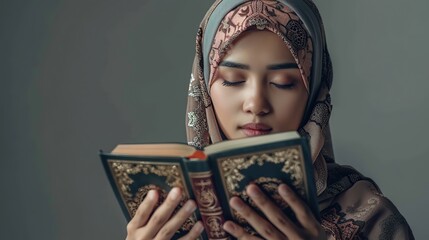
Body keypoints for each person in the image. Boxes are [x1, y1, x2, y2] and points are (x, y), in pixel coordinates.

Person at [126, 0, 415, 239]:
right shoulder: (164, 218)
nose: (256, 104)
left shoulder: (372, 217)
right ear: (204, 87)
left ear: (314, 91)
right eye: (233, 80)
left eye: (283, 82)